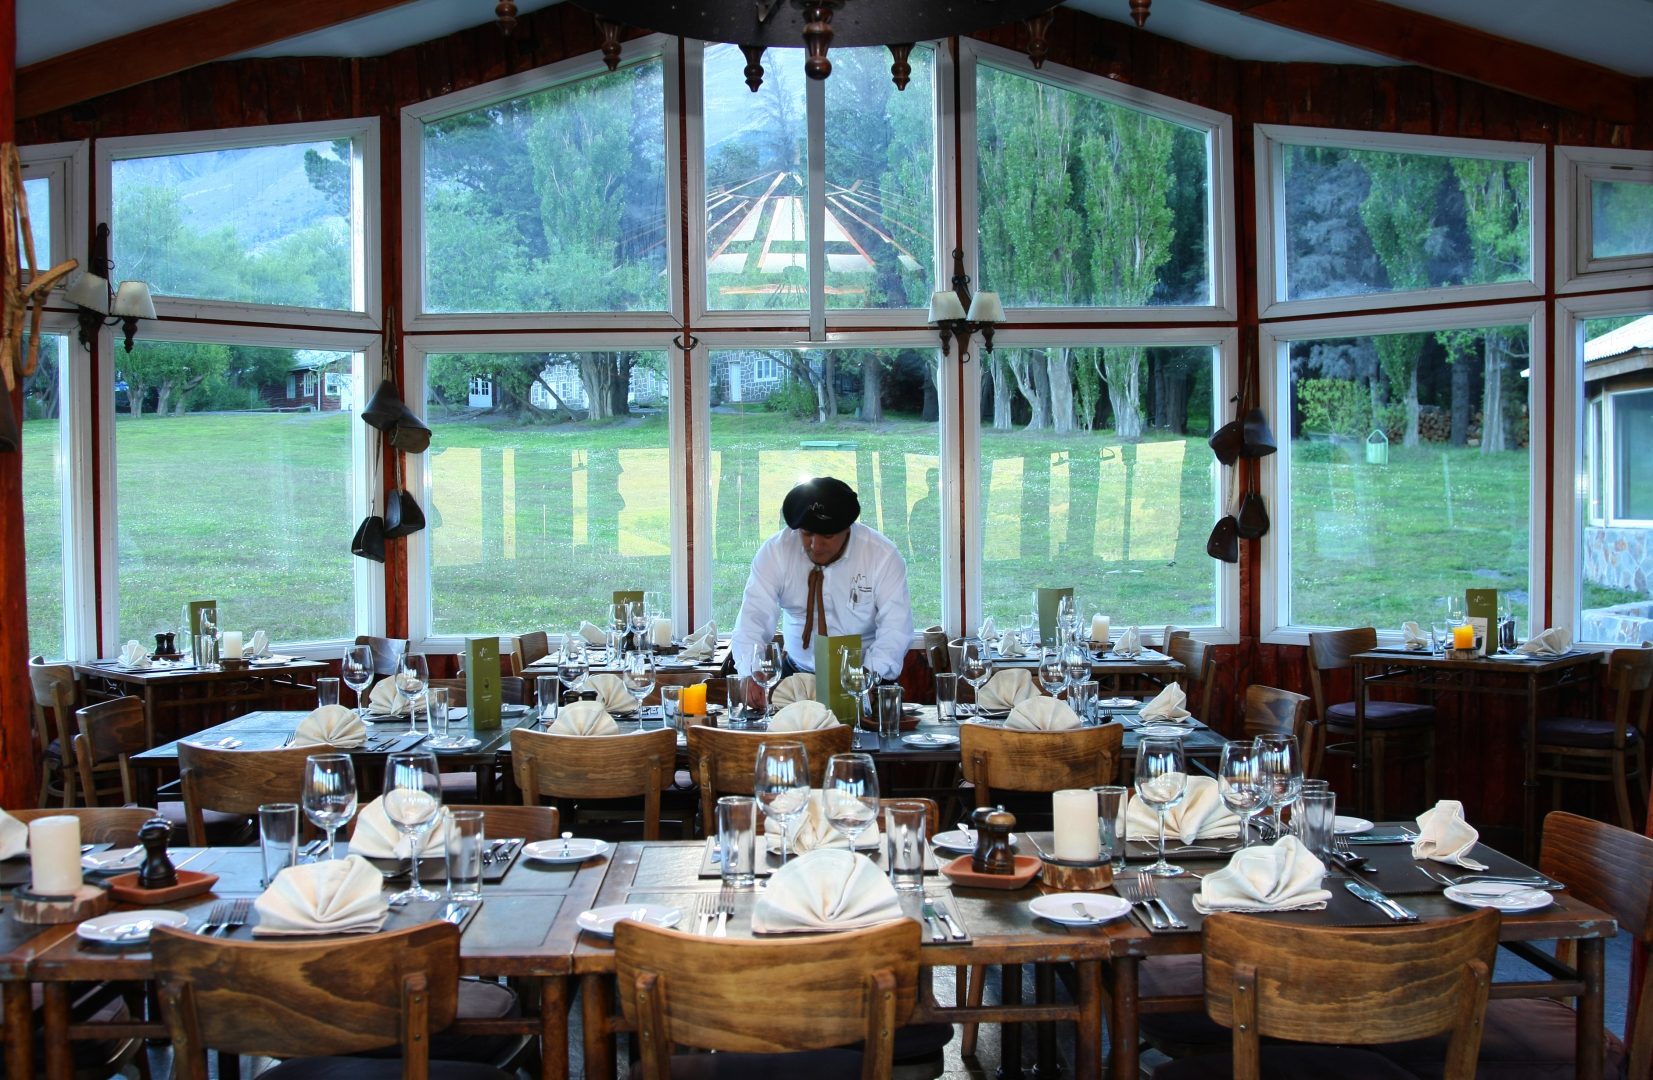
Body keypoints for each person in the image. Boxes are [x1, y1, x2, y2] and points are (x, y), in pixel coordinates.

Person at [730, 476, 913, 700]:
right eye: (807, 533)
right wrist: (750, 672)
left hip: (867, 675)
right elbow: (752, 619)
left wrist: (868, 676)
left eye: (827, 535)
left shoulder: (882, 556)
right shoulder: (775, 552)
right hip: (796, 676)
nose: (816, 546)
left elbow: (895, 629)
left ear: (847, 528)